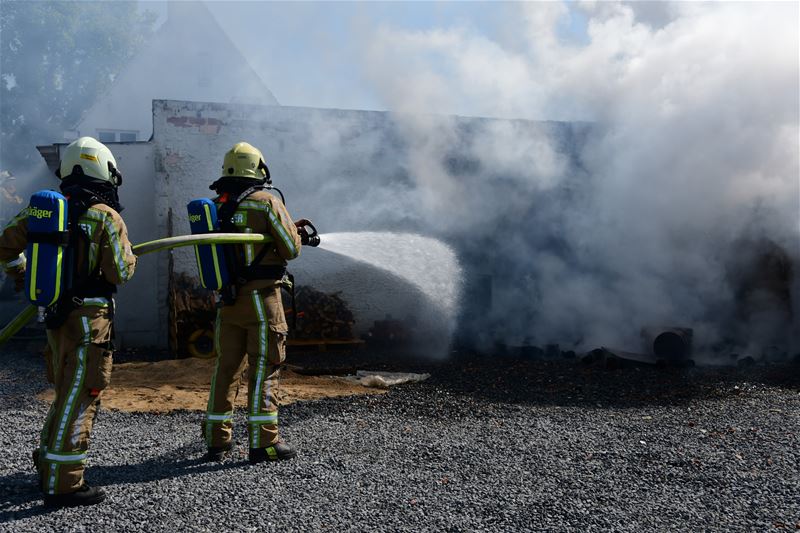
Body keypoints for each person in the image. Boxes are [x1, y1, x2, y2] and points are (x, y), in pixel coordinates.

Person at [0, 137, 136, 507]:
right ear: (105, 171)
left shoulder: (42, 211)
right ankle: (65, 483)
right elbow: (120, 272)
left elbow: (4, 246)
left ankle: (49, 463)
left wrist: (21, 273)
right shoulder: (106, 216)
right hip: (90, 320)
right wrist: (131, 257)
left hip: (54, 319)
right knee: (82, 394)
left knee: (66, 392)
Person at [202, 141, 304, 463]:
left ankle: (217, 440)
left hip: (228, 303)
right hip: (261, 301)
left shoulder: (216, 206)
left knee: (226, 370)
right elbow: (291, 248)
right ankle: (264, 443)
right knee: (265, 367)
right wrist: (296, 233)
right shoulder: (266, 202)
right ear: (258, 169)